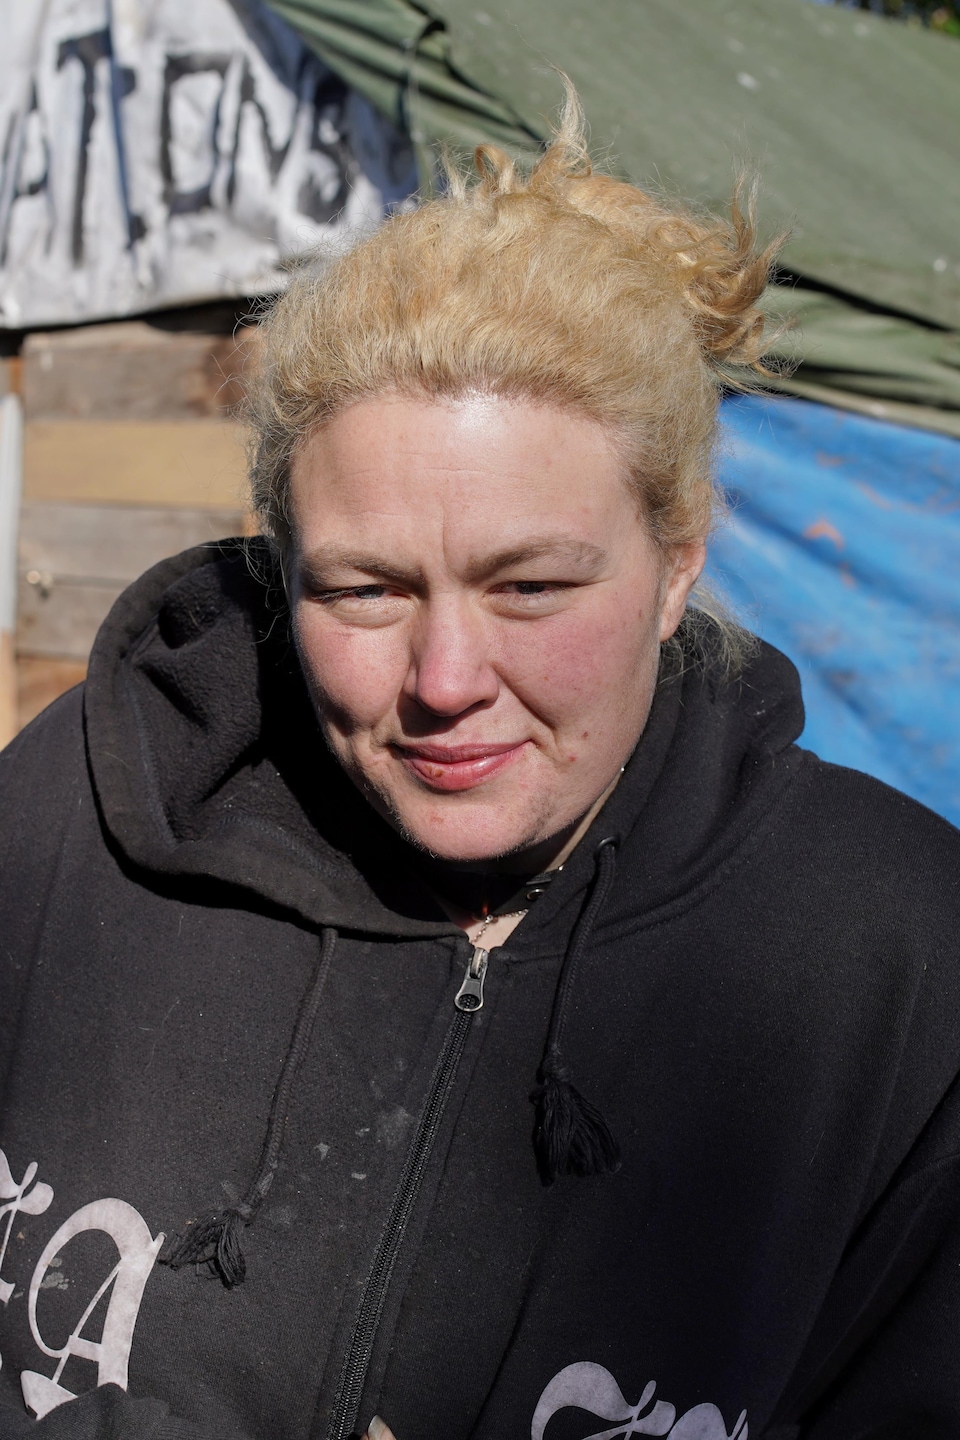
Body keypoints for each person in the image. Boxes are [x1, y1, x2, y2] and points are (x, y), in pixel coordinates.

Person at [1, 90, 960, 1440]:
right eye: (367, 590)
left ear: (677, 561)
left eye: (530, 587)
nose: (446, 682)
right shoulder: (66, 823)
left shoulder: (901, 967)